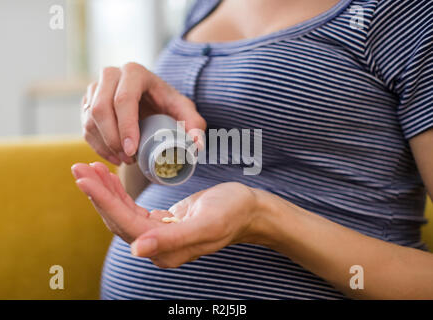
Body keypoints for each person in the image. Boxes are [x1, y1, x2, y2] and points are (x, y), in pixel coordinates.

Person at [71, 0, 433, 299]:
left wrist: (265, 218)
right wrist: (141, 127)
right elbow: (151, 193)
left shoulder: (407, 14)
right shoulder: (202, 7)